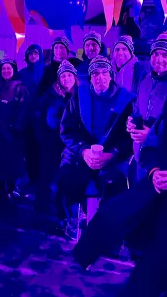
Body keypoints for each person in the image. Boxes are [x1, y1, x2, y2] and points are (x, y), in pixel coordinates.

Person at [73, 101, 167, 297]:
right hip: (156, 186)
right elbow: (151, 147)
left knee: (153, 266)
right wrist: (155, 171)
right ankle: (85, 255)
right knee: (112, 215)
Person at [58, 56, 135, 229]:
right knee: (67, 175)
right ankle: (79, 216)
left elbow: (129, 136)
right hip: (84, 152)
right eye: (95, 73)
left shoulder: (126, 100)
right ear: (90, 77)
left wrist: (113, 154)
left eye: (104, 72)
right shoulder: (80, 95)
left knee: (116, 184)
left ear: (110, 75)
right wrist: (83, 151)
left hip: (112, 154)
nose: (100, 77)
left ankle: (106, 226)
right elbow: (67, 129)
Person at [0, 57, 30, 206]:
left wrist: (17, 127)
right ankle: (0, 190)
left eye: (9, 68)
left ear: (14, 70)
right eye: (3, 68)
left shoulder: (20, 88)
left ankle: (10, 190)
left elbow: (25, 110)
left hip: (12, 134)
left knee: (11, 163)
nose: (6, 71)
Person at [36, 60, 78, 215]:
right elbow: (39, 114)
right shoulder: (50, 94)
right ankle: (46, 209)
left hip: (71, 143)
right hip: (51, 141)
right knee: (48, 175)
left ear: (74, 77)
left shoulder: (81, 94)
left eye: (69, 75)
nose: (66, 79)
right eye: (63, 76)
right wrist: (42, 136)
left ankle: (65, 210)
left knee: (66, 176)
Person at [126, 32, 167, 182]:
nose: (159, 59)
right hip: (140, 154)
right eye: (156, 53)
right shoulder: (146, 80)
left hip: (160, 160)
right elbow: (137, 109)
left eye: (165, 55)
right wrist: (132, 122)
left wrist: (151, 136)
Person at [18, 44, 44, 186]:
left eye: (36, 53)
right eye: (31, 54)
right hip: (26, 117)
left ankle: (41, 177)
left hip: (41, 117)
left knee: (41, 148)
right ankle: (30, 176)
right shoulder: (22, 73)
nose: (33, 56)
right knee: (28, 147)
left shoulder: (45, 72)